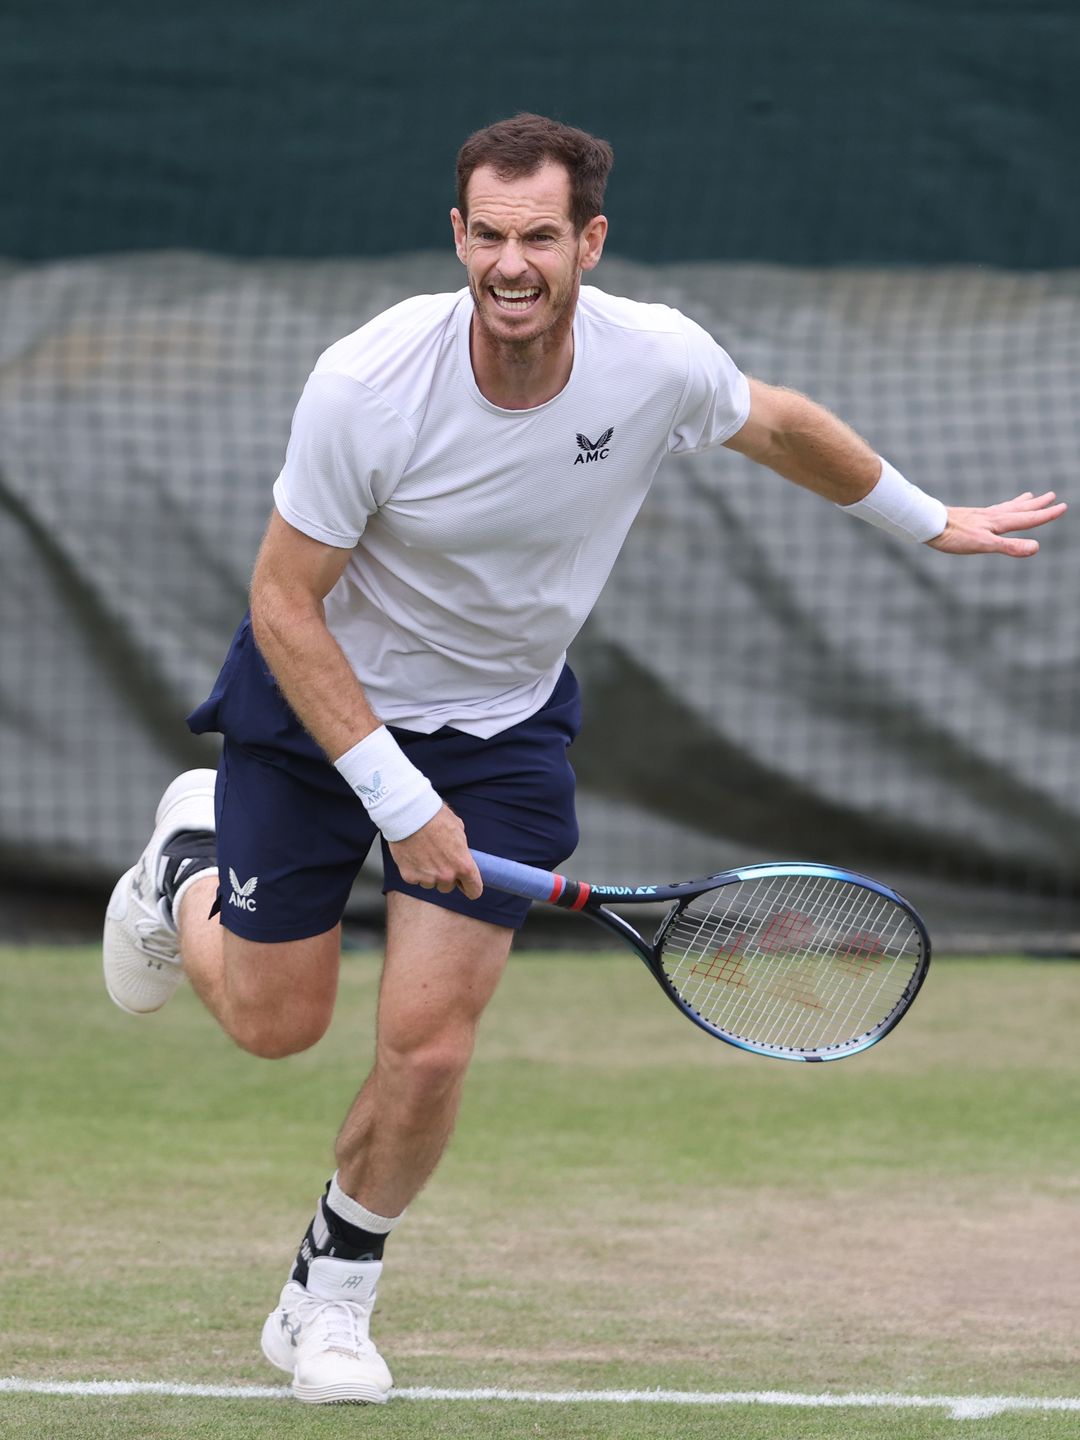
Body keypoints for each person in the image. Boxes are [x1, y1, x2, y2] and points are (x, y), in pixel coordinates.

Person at [101, 113, 1066, 1406]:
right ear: (458, 236)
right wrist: (395, 795)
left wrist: (930, 517)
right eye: (488, 235)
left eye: (539, 237)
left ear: (588, 243)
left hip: (500, 730)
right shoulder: (367, 382)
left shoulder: (653, 360)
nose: (511, 263)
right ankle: (182, 874)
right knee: (282, 1026)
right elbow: (284, 601)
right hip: (315, 709)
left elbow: (775, 424)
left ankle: (328, 1300)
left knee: (431, 1046)